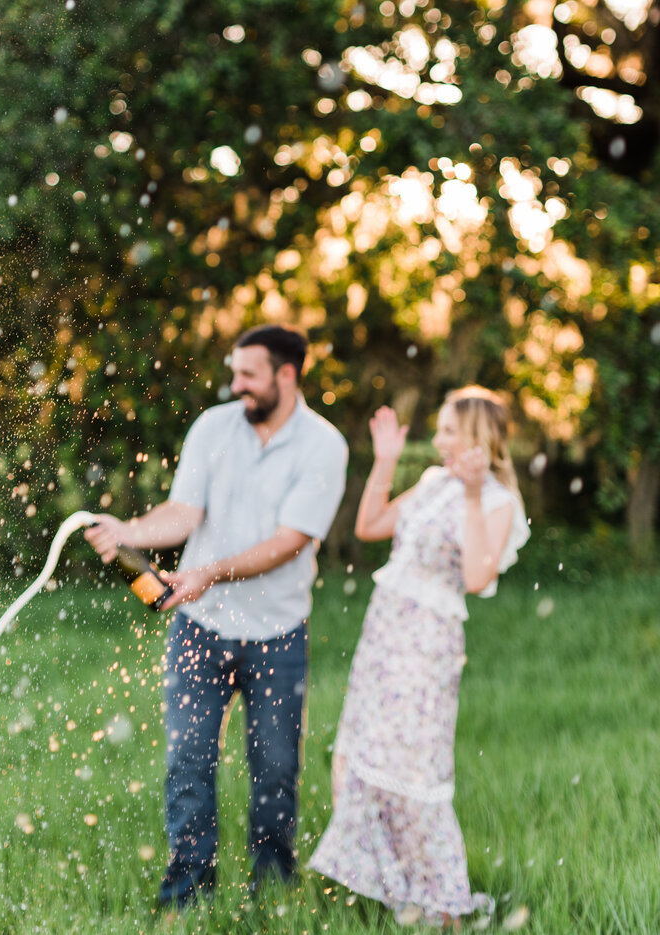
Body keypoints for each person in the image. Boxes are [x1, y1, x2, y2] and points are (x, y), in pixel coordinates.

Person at [85, 324, 348, 907]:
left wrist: (208, 573)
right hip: (199, 633)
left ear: (287, 374)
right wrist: (129, 531)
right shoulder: (213, 426)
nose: (237, 385)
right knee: (187, 764)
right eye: (235, 373)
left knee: (276, 771)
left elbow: (289, 542)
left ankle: (273, 892)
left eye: (248, 374)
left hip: (278, 636)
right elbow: (183, 512)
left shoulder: (324, 446)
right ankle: (187, 895)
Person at [309, 386, 529, 928]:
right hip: (384, 633)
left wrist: (475, 496)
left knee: (410, 765)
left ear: (480, 436)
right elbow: (370, 527)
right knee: (360, 752)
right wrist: (384, 461)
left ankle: (441, 899)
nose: (439, 439)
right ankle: (397, 888)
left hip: (427, 645)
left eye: (450, 430)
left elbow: (479, 578)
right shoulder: (434, 482)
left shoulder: (498, 502)